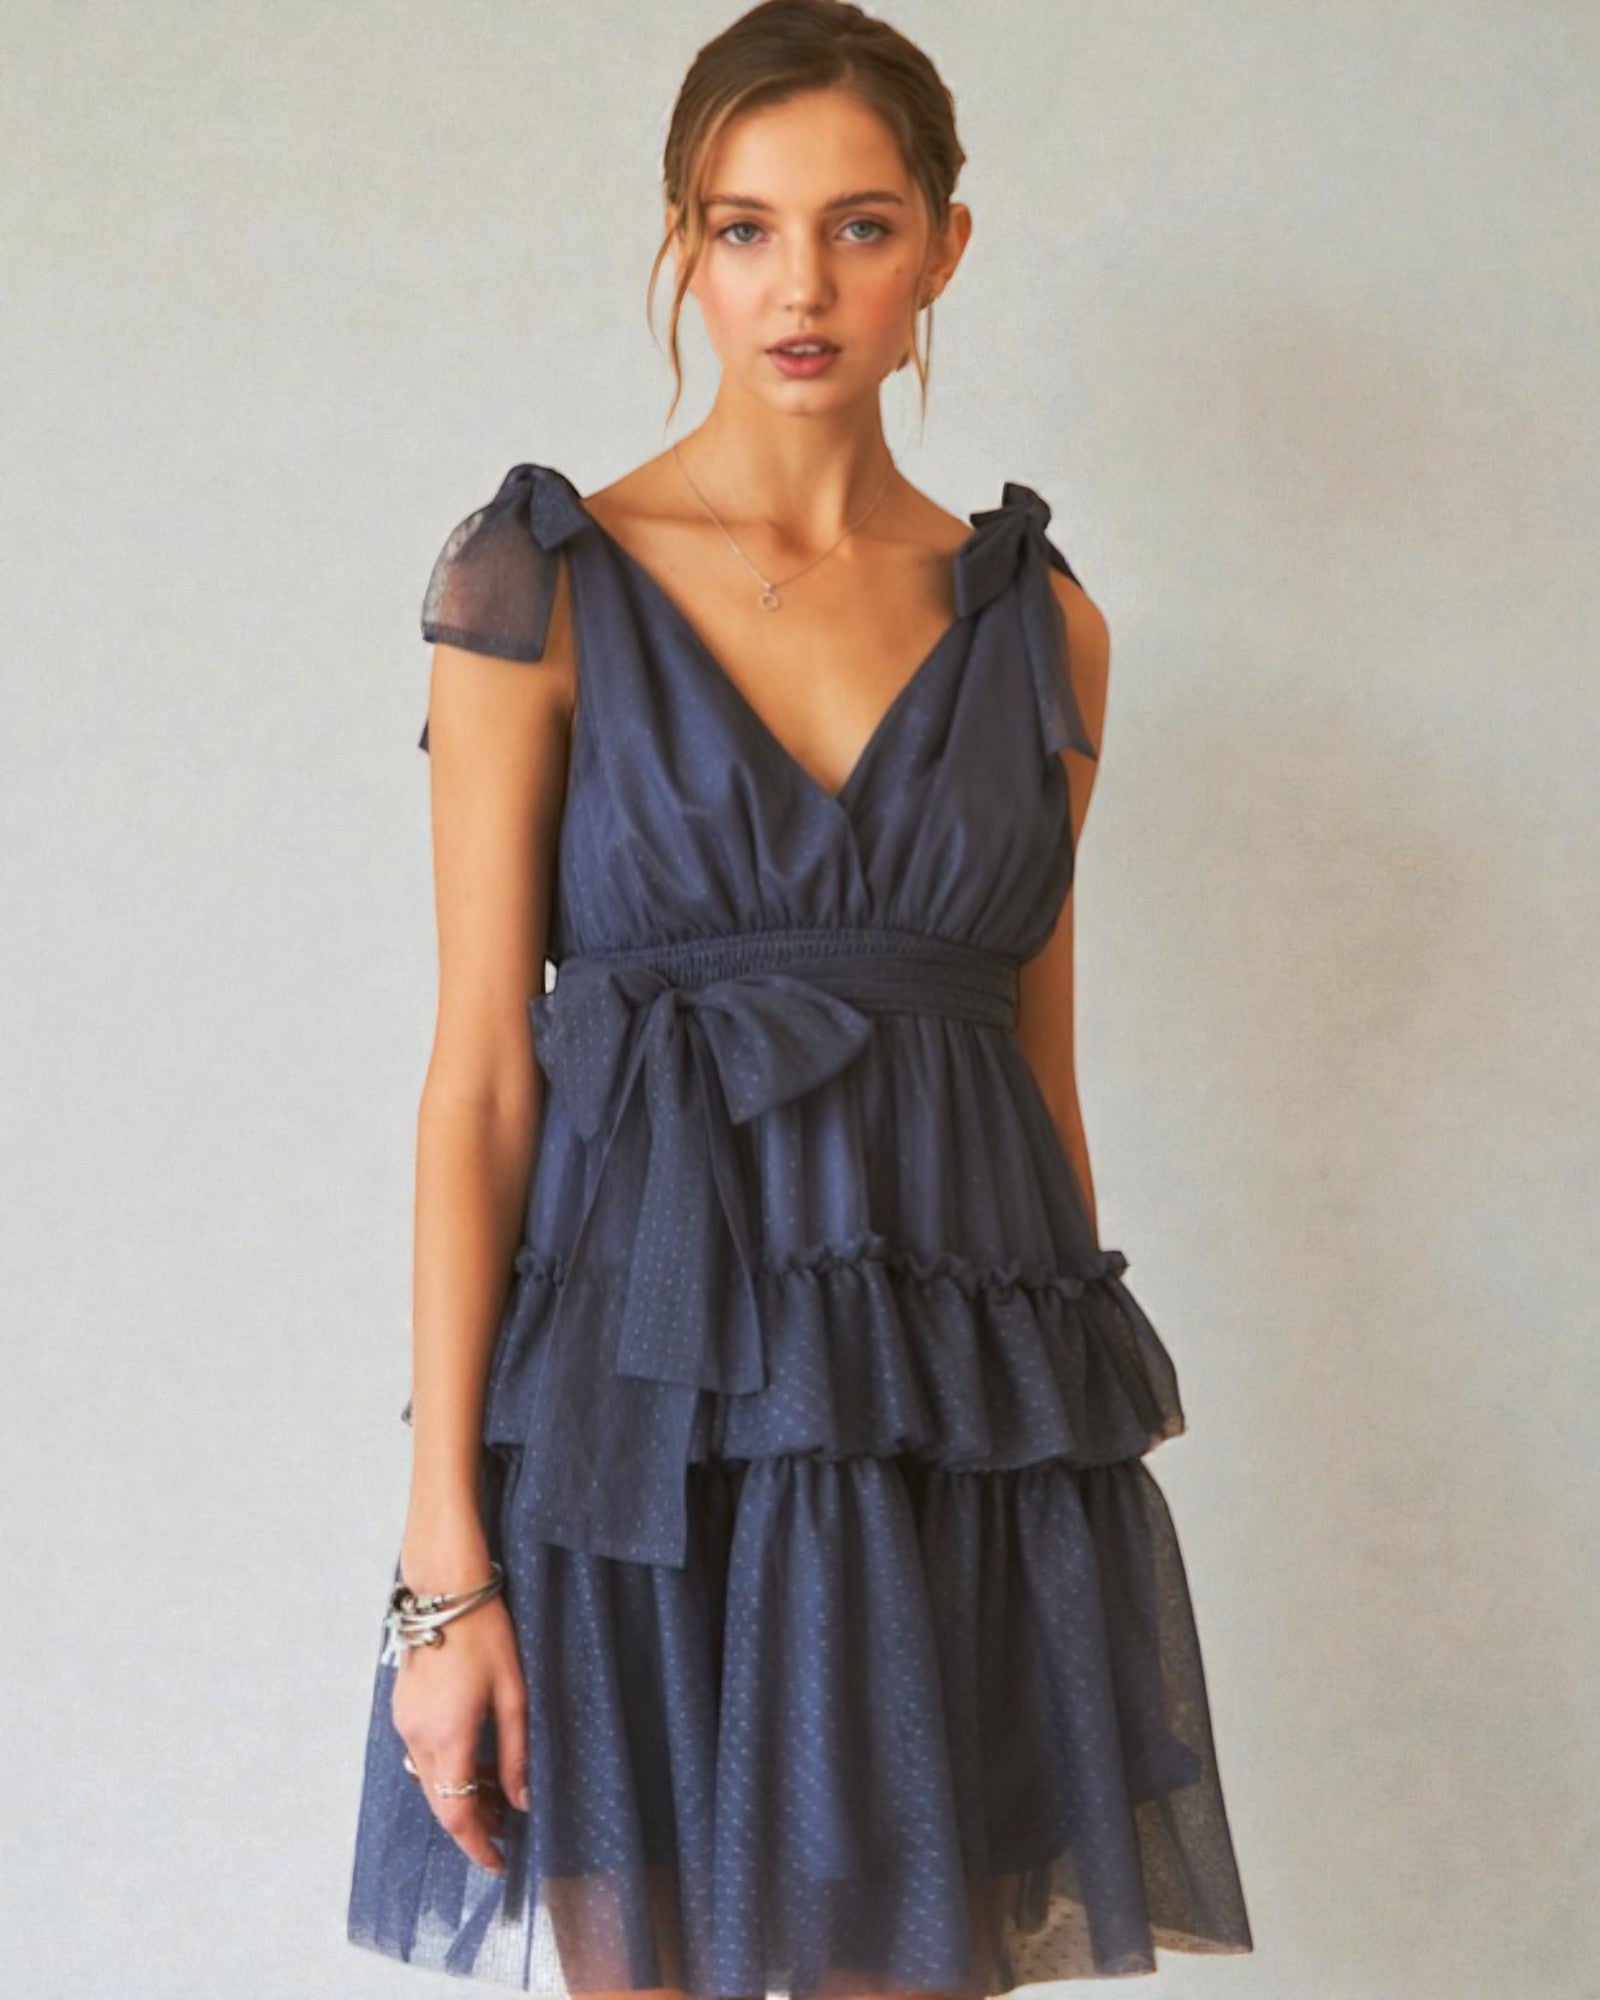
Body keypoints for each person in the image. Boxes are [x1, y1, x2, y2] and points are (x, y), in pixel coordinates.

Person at [346, 3, 1254, 1993]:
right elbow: (478, 1082)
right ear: (684, 244)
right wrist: (441, 1563)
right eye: (743, 227)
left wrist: (1052, 1493)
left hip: (934, 1425)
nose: (800, 286)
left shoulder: (1044, 632)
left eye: (858, 226)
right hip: (641, 1425)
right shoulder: (541, 585)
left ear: (942, 246)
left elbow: (1037, 1089)